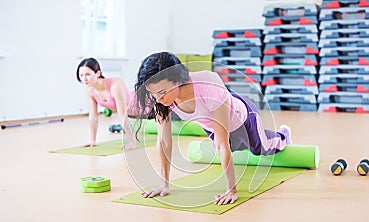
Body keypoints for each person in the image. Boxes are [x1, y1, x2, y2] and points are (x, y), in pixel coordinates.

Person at [133, 52, 292, 205]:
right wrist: (164, 184)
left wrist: (232, 190)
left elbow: (223, 143)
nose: (158, 99)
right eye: (153, 94)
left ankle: (283, 136)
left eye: (162, 92)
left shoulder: (208, 85)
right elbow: (164, 142)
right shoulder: (162, 102)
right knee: (230, 148)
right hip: (211, 124)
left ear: (179, 81)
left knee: (259, 149)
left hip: (244, 118)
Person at [76, 58, 139, 150]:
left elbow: (122, 115)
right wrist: (92, 140)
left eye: (88, 74)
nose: (84, 79)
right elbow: (93, 116)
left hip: (144, 106)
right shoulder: (90, 90)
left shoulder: (115, 85)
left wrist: (132, 142)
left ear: (98, 73)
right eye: (81, 75)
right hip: (133, 115)